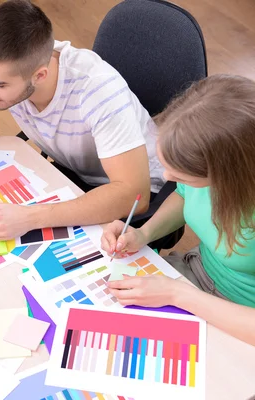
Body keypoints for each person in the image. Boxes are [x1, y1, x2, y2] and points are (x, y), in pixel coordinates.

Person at [0, 0, 164, 241]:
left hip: (137, 195)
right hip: (75, 175)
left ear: (39, 75)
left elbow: (134, 195)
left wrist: (31, 217)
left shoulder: (98, 89)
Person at [101, 75, 255, 346]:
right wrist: (143, 233)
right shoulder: (211, 172)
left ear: (232, 174)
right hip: (194, 274)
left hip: (239, 319)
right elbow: (185, 198)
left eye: (183, 176)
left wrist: (178, 295)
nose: (168, 177)